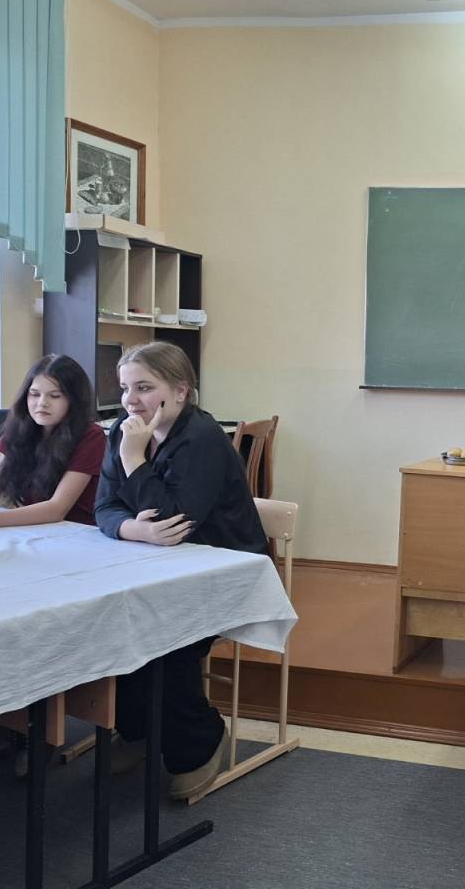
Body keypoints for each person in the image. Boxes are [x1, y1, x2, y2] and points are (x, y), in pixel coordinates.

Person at [94, 341, 267, 801]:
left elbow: (177, 520)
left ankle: (200, 741)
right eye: (125, 388)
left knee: (164, 639)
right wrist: (134, 529)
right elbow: (104, 507)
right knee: (113, 624)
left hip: (223, 571)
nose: (131, 400)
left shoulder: (201, 439)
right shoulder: (123, 431)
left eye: (144, 388)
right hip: (155, 565)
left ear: (181, 391)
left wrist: (134, 460)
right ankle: (137, 731)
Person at [0, 355, 105, 526]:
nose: (42, 403)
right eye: (35, 394)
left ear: (74, 400)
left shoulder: (91, 436)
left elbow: (56, 509)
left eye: (55, 396)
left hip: (78, 531)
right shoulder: (19, 430)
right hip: (37, 529)